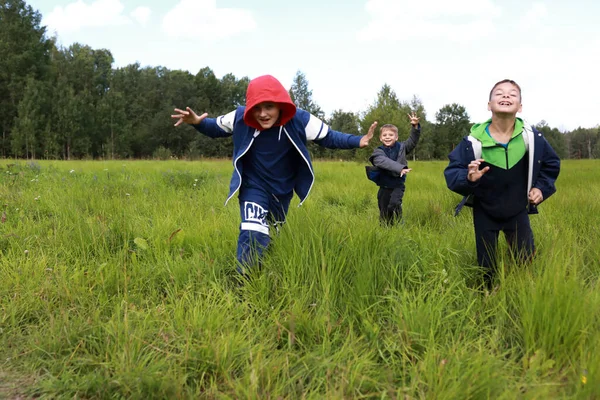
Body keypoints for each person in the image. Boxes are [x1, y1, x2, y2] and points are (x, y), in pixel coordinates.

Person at [171, 74, 376, 275]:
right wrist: (197, 122)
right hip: (253, 185)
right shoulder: (240, 116)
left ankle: (269, 268)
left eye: (269, 106)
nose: (262, 114)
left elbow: (328, 136)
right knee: (253, 229)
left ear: (280, 105)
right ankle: (245, 279)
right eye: (257, 108)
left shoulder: (300, 119)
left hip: (282, 189)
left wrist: (358, 141)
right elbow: (215, 127)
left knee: (271, 232)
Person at [444, 79, 560, 289]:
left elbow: (551, 165)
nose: (506, 96)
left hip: (518, 210)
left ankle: (521, 294)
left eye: (512, 94)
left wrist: (541, 189)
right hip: (485, 210)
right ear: (489, 105)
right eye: (499, 93)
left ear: (520, 106)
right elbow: (452, 172)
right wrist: (469, 178)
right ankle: (487, 297)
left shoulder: (532, 138)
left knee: (525, 260)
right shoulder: (473, 142)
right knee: (486, 266)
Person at [368, 113, 421, 225]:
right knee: (384, 210)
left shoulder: (402, 147)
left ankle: (398, 223)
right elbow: (382, 161)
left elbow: (413, 141)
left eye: (391, 135)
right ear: (381, 138)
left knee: (394, 204)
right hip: (384, 186)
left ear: (396, 137)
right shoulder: (378, 152)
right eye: (385, 135)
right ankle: (385, 230)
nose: (387, 137)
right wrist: (400, 168)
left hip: (398, 185)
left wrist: (415, 127)